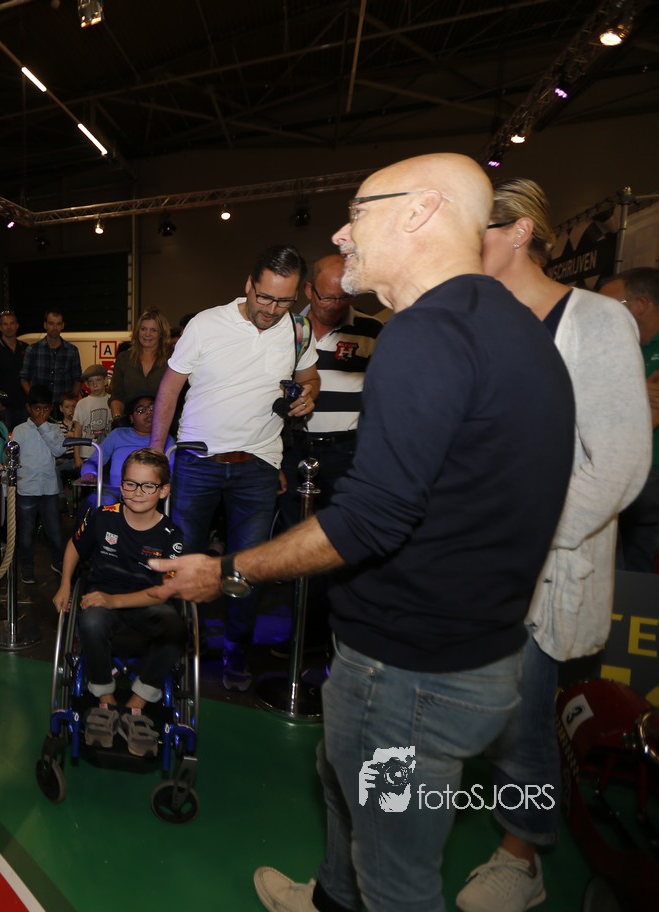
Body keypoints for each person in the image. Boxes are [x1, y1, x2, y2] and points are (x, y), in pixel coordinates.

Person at [148, 153, 577, 912]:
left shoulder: (425, 334)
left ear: (420, 212)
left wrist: (228, 570)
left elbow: (371, 519)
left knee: (395, 871)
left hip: (408, 673)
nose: (343, 233)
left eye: (359, 212)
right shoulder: (510, 323)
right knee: (341, 787)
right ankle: (328, 900)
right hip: (472, 651)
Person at [455, 179, 650, 912]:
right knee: (446, 707)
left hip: (543, 562)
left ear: (520, 231)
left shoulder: (596, 319)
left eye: (475, 229)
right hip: (465, 554)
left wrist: (521, 538)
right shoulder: (476, 319)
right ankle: (388, 844)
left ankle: (523, 853)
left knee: (523, 715)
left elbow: (619, 464)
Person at [149, 244, 320, 691]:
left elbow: (309, 377)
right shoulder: (207, 324)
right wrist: (155, 454)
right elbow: (169, 389)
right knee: (181, 559)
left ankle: (236, 651)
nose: (272, 309)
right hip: (197, 462)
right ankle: (179, 646)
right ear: (249, 285)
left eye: (283, 301)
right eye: (265, 297)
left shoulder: (298, 330)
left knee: (247, 568)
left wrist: (309, 395)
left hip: (258, 467)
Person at [276, 253, 383, 653]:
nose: (335, 305)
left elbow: (382, 394)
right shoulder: (287, 327)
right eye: (327, 297)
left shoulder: (371, 329)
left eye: (344, 297)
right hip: (294, 450)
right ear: (308, 290)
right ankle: (301, 637)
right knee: (297, 546)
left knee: (340, 545)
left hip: (346, 452)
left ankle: (335, 639)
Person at [52, 448, 185, 757]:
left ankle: (136, 705)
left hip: (148, 601)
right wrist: (65, 584)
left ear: (164, 490)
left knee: (177, 627)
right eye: (130, 484)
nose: (137, 492)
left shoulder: (171, 536)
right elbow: (74, 546)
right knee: (91, 618)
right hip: (103, 595)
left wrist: (114, 601)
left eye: (148, 486)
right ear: (121, 484)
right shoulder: (102, 517)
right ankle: (106, 701)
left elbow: (164, 590)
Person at [599, 267, 659, 573]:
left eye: (610, 306)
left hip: (645, 476)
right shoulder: (619, 348)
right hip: (621, 469)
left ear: (641, 305)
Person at [12, 384, 68, 585]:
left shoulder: (54, 429)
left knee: (55, 531)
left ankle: (58, 562)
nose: (41, 413)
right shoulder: (19, 431)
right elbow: (13, 459)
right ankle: (27, 568)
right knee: (26, 534)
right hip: (27, 489)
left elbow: (59, 451)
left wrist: (44, 427)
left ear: (51, 408)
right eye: (37, 409)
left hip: (49, 490)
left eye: (45, 409)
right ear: (29, 408)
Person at [79, 393, 174, 511]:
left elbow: (171, 471)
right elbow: (93, 462)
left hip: (150, 493)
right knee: (102, 503)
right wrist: (89, 473)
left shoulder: (167, 439)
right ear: (131, 418)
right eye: (141, 410)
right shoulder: (118, 434)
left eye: (152, 408)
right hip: (116, 492)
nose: (148, 413)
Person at [109, 310, 172, 420]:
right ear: (137, 331)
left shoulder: (173, 359)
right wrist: (118, 421)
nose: (147, 334)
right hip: (130, 425)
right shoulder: (123, 359)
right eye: (143, 329)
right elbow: (117, 396)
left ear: (161, 334)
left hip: (165, 423)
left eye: (153, 330)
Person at [21, 309, 82, 409]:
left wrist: (71, 401)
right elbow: (24, 378)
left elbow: (78, 379)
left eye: (58, 324)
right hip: (40, 407)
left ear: (62, 326)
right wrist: (34, 399)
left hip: (63, 409)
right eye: (51, 323)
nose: (55, 327)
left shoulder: (72, 351)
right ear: (45, 325)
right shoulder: (32, 350)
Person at [0, 310, 28, 429]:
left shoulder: (26, 348)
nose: (9, 327)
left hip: (25, 407)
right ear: (0, 328)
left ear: (17, 326)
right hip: (4, 408)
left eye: (12, 323)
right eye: (5, 324)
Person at [70, 364, 112, 468]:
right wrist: (77, 457)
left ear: (105, 380)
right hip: (87, 454)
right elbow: (77, 432)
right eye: (91, 381)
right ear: (86, 384)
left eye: (98, 380)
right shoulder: (82, 403)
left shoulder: (112, 401)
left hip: (108, 453)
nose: (95, 384)